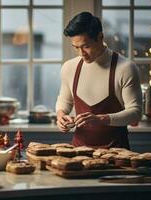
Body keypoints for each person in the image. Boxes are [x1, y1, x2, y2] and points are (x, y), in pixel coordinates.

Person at [55, 12, 142, 149]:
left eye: (86, 46)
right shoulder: (69, 67)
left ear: (100, 37)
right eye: (76, 47)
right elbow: (64, 100)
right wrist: (61, 116)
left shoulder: (125, 68)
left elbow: (135, 113)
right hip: (78, 153)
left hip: (116, 155)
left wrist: (100, 119)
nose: (81, 53)